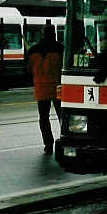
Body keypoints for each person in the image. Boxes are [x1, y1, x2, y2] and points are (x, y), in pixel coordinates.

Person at [27, 25, 63, 154]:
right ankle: (65, 139)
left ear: (42, 34)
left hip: (41, 89)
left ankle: (48, 144)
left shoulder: (32, 50)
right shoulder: (60, 48)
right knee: (62, 116)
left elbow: (29, 70)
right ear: (54, 33)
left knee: (43, 118)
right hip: (58, 89)